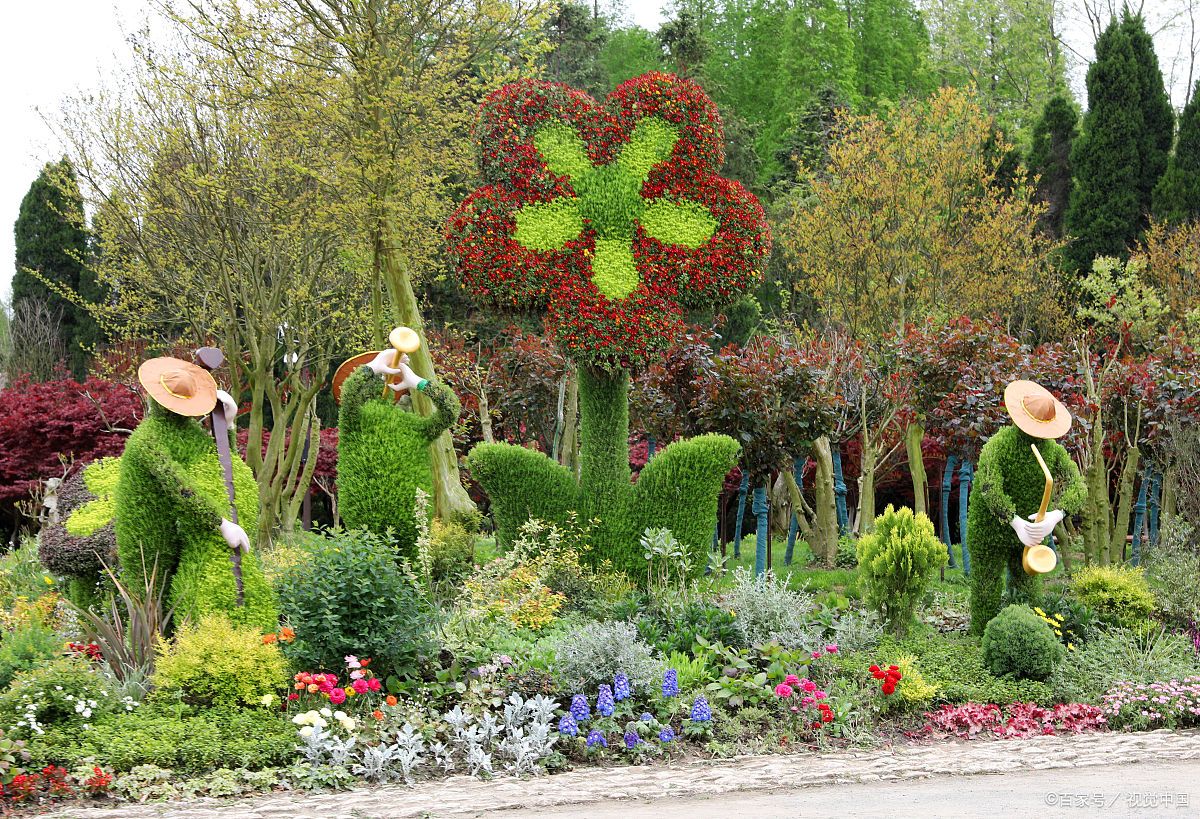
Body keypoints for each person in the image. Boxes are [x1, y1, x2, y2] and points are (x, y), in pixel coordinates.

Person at [114, 357, 276, 629]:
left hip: (184, 531)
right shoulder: (147, 440)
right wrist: (221, 523)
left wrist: (229, 425)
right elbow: (180, 486)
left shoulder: (192, 434)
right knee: (154, 603)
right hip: (148, 534)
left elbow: (222, 473)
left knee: (179, 601)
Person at [967, 380, 1086, 634]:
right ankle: (982, 639)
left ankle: (1023, 636)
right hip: (990, 530)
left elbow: (1078, 487)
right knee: (986, 587)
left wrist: (1056, 515)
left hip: (1029, 537)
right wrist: (1015, 521)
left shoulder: (1053, 452)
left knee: (1027, 590)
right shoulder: (998, 446)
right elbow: (989, 486)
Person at [336, 347, 460, 557]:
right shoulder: (355, 422)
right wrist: (372, 367)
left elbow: (450, 411)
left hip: (410, 527)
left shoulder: (413, 426)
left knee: (412, 576)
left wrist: (418, 382)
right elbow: (349, 395)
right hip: (364, 527)